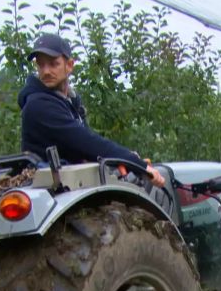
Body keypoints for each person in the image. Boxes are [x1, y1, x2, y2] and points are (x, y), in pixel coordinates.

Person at [18, 33, 165, 187]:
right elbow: (86, 142)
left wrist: (126, 158)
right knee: (154, 184)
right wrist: (135, 162)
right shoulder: (39, 104)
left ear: (69, 65)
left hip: (70, 178)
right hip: (53, 185)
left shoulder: (68, 101)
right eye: (41, 65)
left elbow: (86, 146)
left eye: (53, 64)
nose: (46, 71)